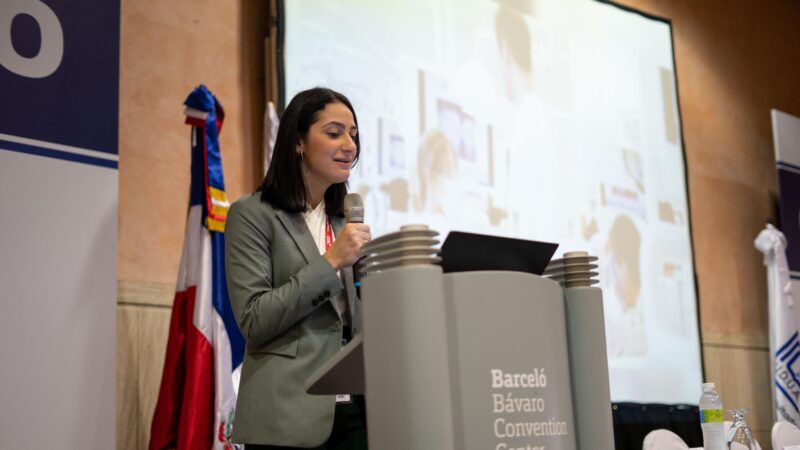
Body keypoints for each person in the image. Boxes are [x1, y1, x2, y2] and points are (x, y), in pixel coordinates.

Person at [225, 87, 371, 449]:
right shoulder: (253, 215)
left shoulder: (344, 221)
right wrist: (331, 261)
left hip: (354, 412)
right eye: (334, 133)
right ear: (298, 142)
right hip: (286, 414)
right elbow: (254, 319)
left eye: (353, 135)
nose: (349, 145)